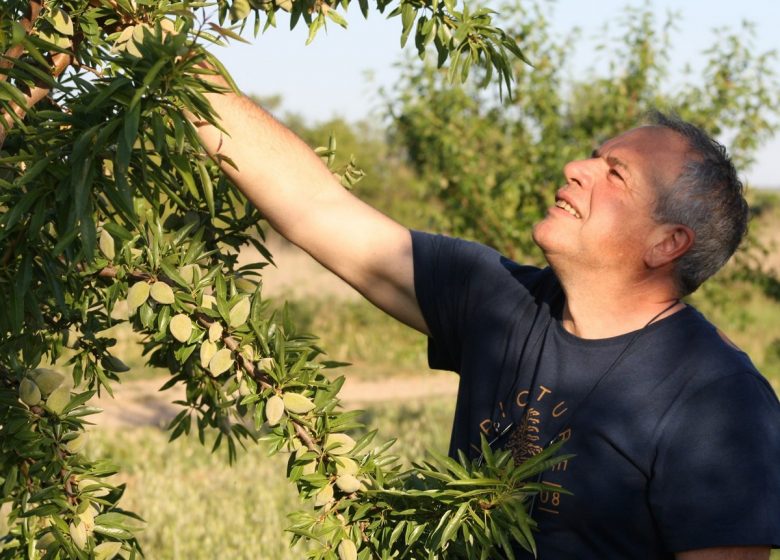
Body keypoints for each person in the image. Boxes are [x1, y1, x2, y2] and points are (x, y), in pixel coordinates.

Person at [190, 71, 780, 558]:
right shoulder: (496, 299)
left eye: (615, 174)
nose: (577, 167)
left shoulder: (719, 401)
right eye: (595, 157)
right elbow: (315, 207)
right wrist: (175, 59)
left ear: (666, 243)